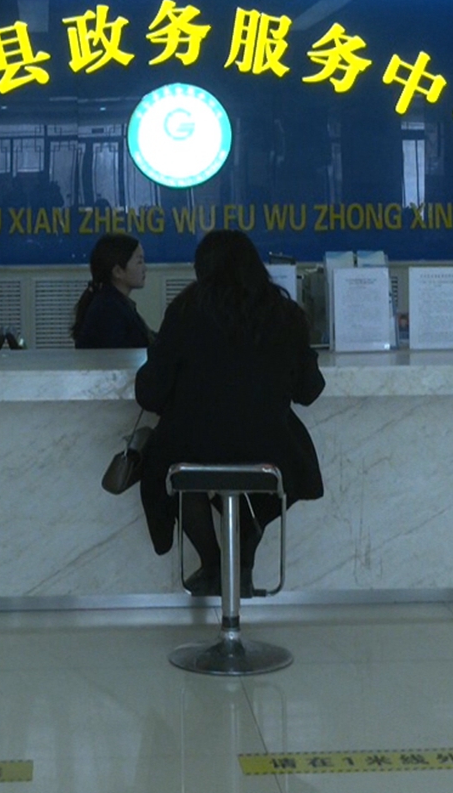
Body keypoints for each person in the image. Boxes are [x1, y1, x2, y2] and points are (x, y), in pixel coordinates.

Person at [134, 230, 323, 597]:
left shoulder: (185, 312)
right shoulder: (285, 314)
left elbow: (151, 394)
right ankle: (243, 553)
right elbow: (309, 391)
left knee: (179, 470)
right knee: (276, 465)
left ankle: (215, 565)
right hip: (269, 450)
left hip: (192, 446)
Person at [72, 233, 152, 348]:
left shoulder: (116, 303)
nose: (145, 268)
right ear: (118, 271)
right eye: (139, 262)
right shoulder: (108, 310)